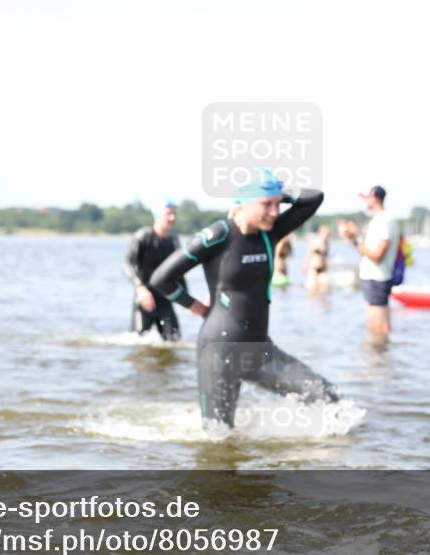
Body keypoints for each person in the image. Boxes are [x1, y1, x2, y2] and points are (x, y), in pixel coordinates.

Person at [149, 169, 339, 427]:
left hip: (260, 349)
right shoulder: (219, 234)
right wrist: (199, 309)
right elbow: (161, 278)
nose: (274, 212)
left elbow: (314, 198)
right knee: (218, 439)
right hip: (219, 351)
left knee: (326, 397)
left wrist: (276, 194)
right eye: (266, 204)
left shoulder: (269, 232)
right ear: (243, 204)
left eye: (277, 205)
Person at [338, 186, 398, 337]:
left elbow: (377, 256)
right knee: (375, 328)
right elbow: (370, 252)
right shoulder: (378, 219)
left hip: (377, 278)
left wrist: (355, 241)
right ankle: (377, 358)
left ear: (375, 198)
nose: (364, 200)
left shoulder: (385, 220)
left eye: (366, 197)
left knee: (379, 329)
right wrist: (354, 239)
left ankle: (379, 359)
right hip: (373, 278)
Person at [123, 199, 186, 341]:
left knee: (174, 341)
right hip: (144, 299)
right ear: (157, 215)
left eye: (174, 213)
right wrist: (140, 288)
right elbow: (127, 265)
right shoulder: (143, 236)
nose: (173, 217)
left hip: (165, 300)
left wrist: (188, 301)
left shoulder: (174, 240)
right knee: (138, 343)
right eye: (168, 213)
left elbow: (179, 273)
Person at [303, 224, 332, 293]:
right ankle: (313, 303)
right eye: (325, 233)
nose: (327, 235)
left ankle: (321, 302)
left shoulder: (327, 243)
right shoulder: (316, 241)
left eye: (328, 233)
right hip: (314, 267)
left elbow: (326, 256)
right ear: (321, 233)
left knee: (324, 287)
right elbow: (309, 254)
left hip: (323, 268)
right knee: (313, 289)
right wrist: (305, 266)